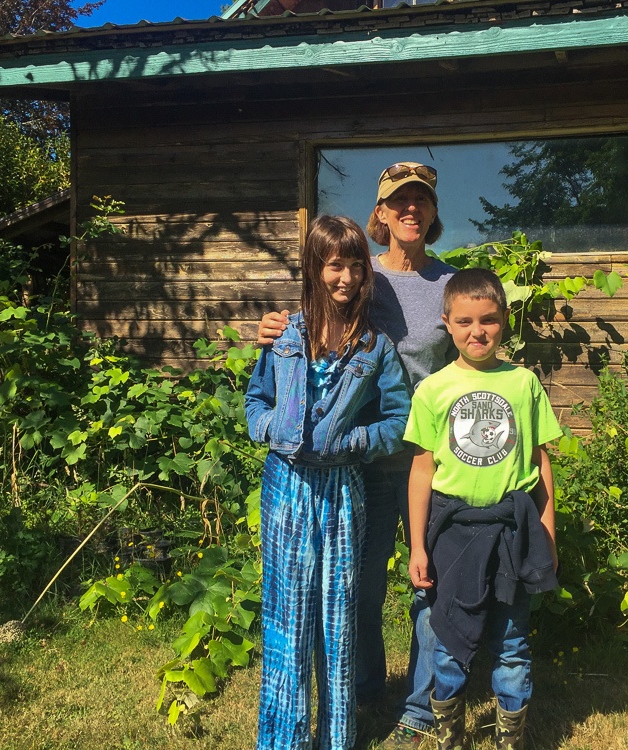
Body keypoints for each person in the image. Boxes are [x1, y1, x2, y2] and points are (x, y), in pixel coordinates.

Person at [257, 162, 456, 747]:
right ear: (382, 213)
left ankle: (421, 705)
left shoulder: (451, 285)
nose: (410, 210)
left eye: (421, 200)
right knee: (360, 592)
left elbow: (477, 349)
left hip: (429, 461)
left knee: (429, 587)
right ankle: (365, 691)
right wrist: (275, 327)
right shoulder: (367, 274)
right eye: (399, 202)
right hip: (359, 469)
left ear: (433, 210)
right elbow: (316, 316)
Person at [245, 215, 411, 750]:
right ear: (314, 268)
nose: (345, 277)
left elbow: (399, 420)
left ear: (366, 272)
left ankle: (337, 739)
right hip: (286, 486)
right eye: (333, 265)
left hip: (343, 492)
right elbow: (254, 405)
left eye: (355, 265)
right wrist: (279, 431)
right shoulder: (284, 335)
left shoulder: (374, 347)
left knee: (338, 617)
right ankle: (283, 740)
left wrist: (352, 443)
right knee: (287, 617)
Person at [405, 268, 561, 750]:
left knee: (512, 643)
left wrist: (548, 532)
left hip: (513, 528)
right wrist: (417, 547)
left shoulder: (523, 383)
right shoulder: (433, 389)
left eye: (489, 320)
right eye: (466, 321)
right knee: (449, 641)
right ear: (447, 324)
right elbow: (422, 471)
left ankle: (510, 738)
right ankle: (449, 737)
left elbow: (540, 460)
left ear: (504, 320)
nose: (479, 332)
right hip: (452, 532)